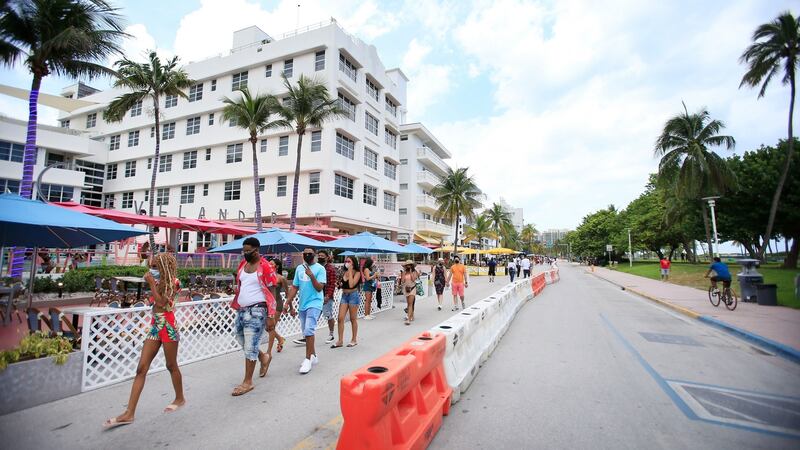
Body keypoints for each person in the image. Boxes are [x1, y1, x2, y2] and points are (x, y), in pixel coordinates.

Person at [103, 253, 184, 428]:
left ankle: (180, 398)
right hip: (155, 327)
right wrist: (154, 283)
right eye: (150, 266)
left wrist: (152, 284)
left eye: (154, 267)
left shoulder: (174, 283)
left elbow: (162, 303)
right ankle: (129, 412)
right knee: (141, 368)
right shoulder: (160, 282)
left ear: (163, 267)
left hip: (168, 328)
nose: (151, 270)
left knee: (171, 365)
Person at [229, 237, 278, 395]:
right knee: (240, 338)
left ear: (256, 250)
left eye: (247, 251)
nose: (245, 254)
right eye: (243, 251)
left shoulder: (265, 266)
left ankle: (247, 382)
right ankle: (263, 357)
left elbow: (273, 290)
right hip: (242, 309)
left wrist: (271, 315)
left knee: (250, 345)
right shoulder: (243, 265)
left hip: (257, 310)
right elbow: (242, 286)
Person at [287, 247, 326, 374]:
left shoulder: (320, 269)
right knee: (306, 333)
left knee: (309, 329)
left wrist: (312, 276)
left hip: (315, 303)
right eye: (305, 253)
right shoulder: (299, 268)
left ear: (314, 255)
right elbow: (294, 287)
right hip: (303, 304)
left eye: (310, 254)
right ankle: (313, 355)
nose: (307, 255)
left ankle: (307, 360)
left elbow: (320, 288)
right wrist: (288, 302)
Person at [332, 255, 362, 348]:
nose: (347, 263)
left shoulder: (357, 273)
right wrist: (339, 284)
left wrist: (349, 271)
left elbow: (352, 284)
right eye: (346, 261)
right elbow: (343, 284)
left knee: (353, 319)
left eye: (349, 261)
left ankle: (354, 339)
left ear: (353, 262)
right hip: (344, 296)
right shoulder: (343, 272)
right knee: (340, 318)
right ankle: (340, 340)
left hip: (353, 295)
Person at [266, 258, 289, 354]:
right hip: (267, 304)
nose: (269, 265)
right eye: (268, 264)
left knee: (271, 328)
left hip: (277, 304)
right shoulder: (265, 276)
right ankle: (280, 339)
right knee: (267, 328)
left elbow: (288, 293)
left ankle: (268, 352)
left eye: (271, 264)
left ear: (277, 266)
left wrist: (289, 306)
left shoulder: (280, 278)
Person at [317, 250, 337, 344]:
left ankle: (331, 334)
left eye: (322, 256)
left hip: (326, 295)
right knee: (314, 315)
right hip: (316, 295)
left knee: (328, 315)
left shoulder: (330, 269)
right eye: (319, 255)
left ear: (327, 257)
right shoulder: (316, 267)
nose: (320, 257)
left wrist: (328, 296)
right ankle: (307, 335)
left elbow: (332, 284)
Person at [401, 260, 419, 325]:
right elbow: (402, 281)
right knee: (408, 304)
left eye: (409, 265)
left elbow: (414, 280)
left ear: (411, 266)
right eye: (407, 265)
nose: (408, 266)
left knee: (410, 303)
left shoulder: (414, 272)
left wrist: (411, 273)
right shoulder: (404, 272)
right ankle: (411, 315)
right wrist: (403, 274)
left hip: (412, 288)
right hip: (406, 289)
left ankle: (408, 319)